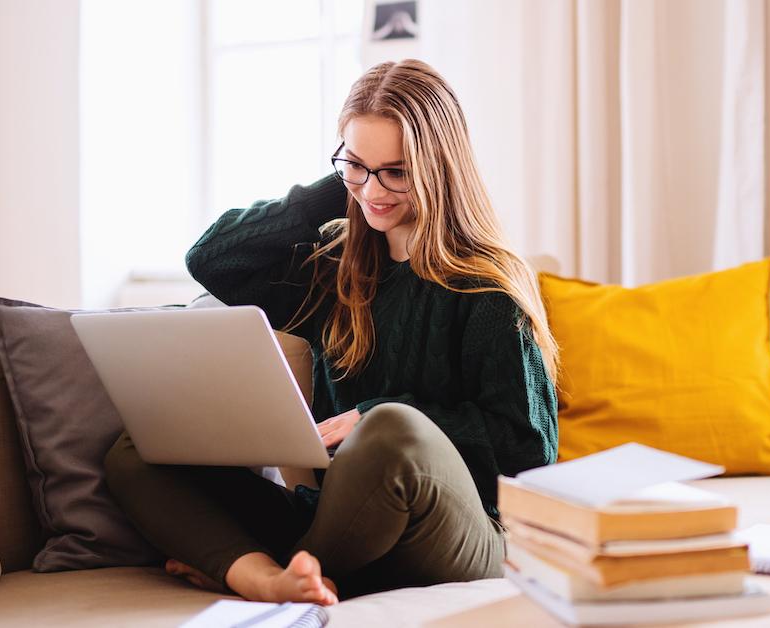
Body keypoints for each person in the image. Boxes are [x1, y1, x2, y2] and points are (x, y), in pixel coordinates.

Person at [103, 59, 559, 605]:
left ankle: (285, 571)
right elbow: (213, 258)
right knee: (138, 450)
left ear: (439, 167)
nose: (375, 191)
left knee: (392, 429)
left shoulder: (487, 287)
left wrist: (376, 417)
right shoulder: (333, 270)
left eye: (397, 171)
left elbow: (530, 450)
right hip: (341, 519)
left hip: (463, 531)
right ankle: (273, 578)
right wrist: (341, 185)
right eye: (356, 166)